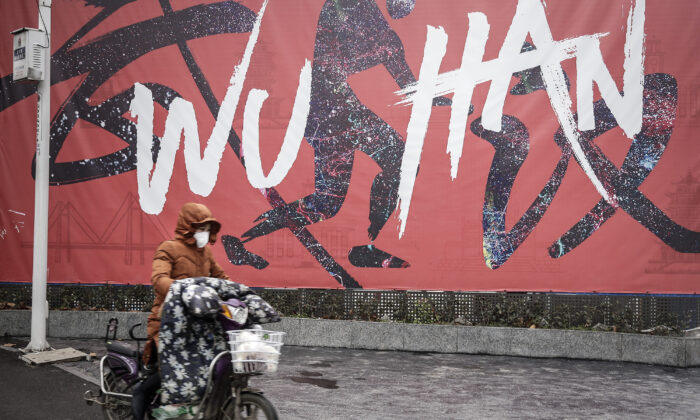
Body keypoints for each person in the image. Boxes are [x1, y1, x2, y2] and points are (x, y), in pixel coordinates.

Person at [133, 202, 230, 420]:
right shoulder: (168, 248)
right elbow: (159, 279)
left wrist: (238, 294)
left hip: (196, 326)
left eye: (208, 229)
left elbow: (222, 279)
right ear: (188, 226)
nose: (204, 233)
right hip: (167, 323)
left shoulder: (207, 254)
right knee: (165, 376)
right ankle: (139, 400)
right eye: (201, 228)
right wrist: (181, 289)